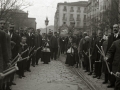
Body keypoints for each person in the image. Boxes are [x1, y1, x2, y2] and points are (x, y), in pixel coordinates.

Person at [106, 24, 120, 88]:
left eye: (116, 27)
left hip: (118, 57)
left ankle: (116, 84)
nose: (115, 29)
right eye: (114, 27)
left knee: (117, 71)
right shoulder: (110, 37)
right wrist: (107, 57)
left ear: (118, 28)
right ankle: (111, 83)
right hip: (112, 57)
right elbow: (109, 48)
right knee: (111, 70)